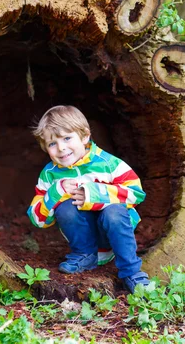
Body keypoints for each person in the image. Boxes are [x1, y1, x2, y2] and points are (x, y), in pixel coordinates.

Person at [27, 105, 150, 292]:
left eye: (67, 138)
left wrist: (94, 194)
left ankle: (131, 271)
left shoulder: (108, 163)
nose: (61, 148)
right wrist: (56, 192)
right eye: (52, 144)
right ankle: (85, 256)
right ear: (45, 147)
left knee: (114, 211)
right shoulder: (50, 174)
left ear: (85, 136)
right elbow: (38, 220)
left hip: (112, 234)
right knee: (66, 207)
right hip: (83, 239)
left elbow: (136, 192)